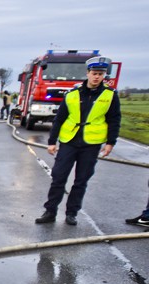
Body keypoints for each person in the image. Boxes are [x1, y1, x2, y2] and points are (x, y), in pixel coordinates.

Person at [35, 56, 121, 226]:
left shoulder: (110, 96)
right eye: (94, 73)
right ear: (88, 73)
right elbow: (59, 119)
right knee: (58, 177)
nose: (97, 77)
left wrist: (111, 142)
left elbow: (114, 120)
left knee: (81, 180)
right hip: (69, 141)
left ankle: (71, 213)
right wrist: (52, 141)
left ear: (104, 75)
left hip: (91, 144)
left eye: (100, 74)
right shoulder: (72, 94)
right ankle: (50, 211)